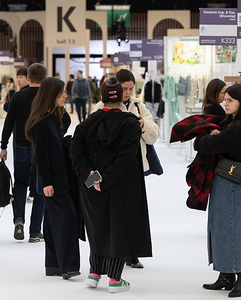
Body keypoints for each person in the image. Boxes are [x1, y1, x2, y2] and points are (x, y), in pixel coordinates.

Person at [70, 77, 153, 293]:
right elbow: (126, 159)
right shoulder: (130, 124)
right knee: (118, 228)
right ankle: (115, 279)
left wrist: (93, 177)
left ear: (102, 97)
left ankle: (95, 273)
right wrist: (105, 179)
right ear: (121, 97)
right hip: (120, 186)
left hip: (90, 186)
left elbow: (76, 154)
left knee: (96, 225)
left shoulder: (86, 124)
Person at [94, 69, 160, 269]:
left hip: (134, 167)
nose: (128, 93)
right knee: (112, 212)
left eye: (131, 88)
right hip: (109, 168)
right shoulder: (101, 106)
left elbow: (154, 135)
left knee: (133, 211)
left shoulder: (139, 106)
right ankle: (112, 253)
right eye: (125, 89)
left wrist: (141, 124)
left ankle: (131, 253)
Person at [195, 84, 241, 298]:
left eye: (230, 100)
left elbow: (204, 144)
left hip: (231, 180)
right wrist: (211, 137)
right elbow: (207, 142)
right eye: (225, 99)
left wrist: (211, 137)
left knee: (233, 228)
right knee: (220, 226)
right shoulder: (230, 124)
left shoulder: (240, 126)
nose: (225, 103)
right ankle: (226, 275)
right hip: (223, 179)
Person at [25, 77, 80, 279]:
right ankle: (68, 266)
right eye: (61, 93)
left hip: (59, 177)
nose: (65, 96)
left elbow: (65, 124)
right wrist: (46, 182)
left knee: (52, 221)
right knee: (67, 218)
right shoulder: (41, 123)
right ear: (51, 96)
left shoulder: (51, 118)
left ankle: (55, 265)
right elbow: (41, 155)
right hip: (53, 180)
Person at [0, 63, 47, 242]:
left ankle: (19, 219)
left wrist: (3, 146)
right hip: (42, 147)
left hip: (21, 145)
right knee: (41, 187)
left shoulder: (18, 97)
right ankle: (35, 231)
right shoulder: (47, 98)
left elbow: (8, 123)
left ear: (28, 78)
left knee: (20, 183)